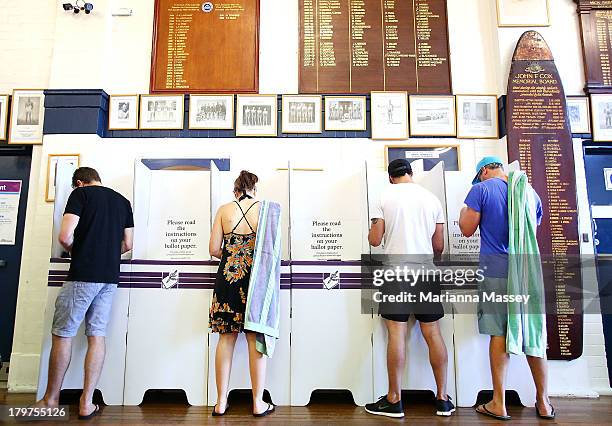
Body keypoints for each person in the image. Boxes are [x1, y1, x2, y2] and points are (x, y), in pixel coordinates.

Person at [33, 167, 134, 420]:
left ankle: (50, 400)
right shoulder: (123, 202)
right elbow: (129, 244)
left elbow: (65, 236)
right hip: (110, 278)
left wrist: (82, 250)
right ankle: (87, 403)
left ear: (79, 182)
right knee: (97, 335)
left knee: (63, 334)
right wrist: (106, 254)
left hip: (82, 274)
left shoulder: (80, 195)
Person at [459, 156, 554, 421]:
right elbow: (532, 229)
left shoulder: (481, 189)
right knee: (533, 333)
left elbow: (466, 229)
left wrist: (461, 214)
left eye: (479, 175)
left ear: (485, 171)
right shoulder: (529, 191)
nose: (479, 179)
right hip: (526, 272)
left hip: (496, 272)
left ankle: (498, 402)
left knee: (499, 332)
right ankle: (544, 401)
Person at [365, 159, 455, 419]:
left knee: (396, 334)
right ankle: (442, 399)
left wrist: (375, 228)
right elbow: (439, 246)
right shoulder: (432, 199)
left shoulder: (384, 196)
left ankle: (394, 400)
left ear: (390, 177)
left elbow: (375, 239)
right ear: (411, 174)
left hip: (396, 275)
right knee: (433, 334)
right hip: (426, 273)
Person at [209, 170, 275, 418]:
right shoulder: (265, 210)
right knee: (254, 338)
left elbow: (214, 248)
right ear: (255, 189)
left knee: (225, 339)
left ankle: (220, 402)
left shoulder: (224, 210)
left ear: (235, 190)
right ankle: (258, 403)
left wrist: (232, 254)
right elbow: (272, 250)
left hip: (227, 279)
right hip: (254, 280)